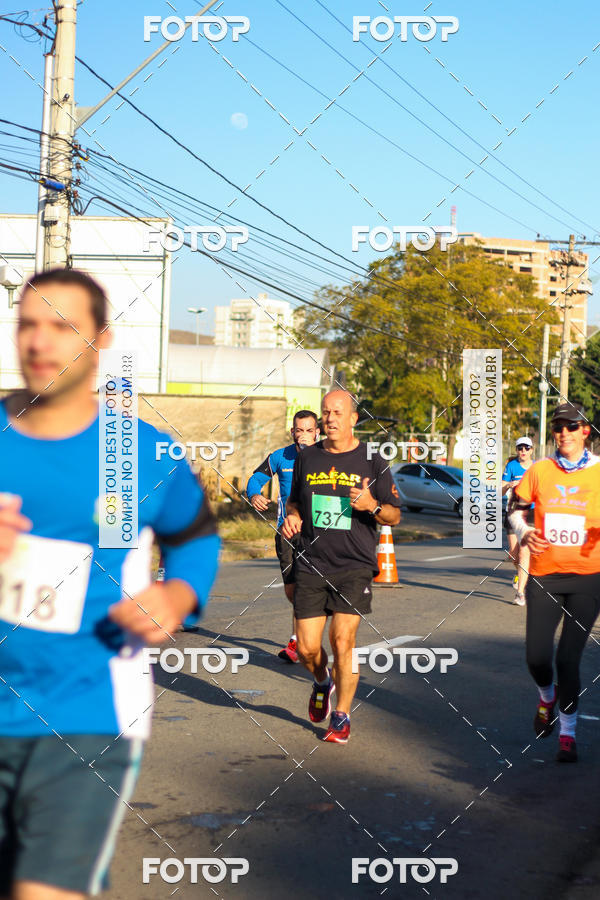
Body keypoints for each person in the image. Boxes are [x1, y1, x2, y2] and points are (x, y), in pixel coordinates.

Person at [0, 268, 220, 898]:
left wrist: (178, 594)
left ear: (100, 340)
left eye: (61, 327)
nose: (40, 342)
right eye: (28, 324)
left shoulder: (140, 453)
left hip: (87, 714)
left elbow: (196, 537)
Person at [282, 390, 401, 743]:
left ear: (353, 418)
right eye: (325, 413)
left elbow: (395, 515)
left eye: (337, 412)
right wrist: (292, 519)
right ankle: (322, 681)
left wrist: (371, 505)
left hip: (354, 565)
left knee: (342, 641)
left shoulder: (372, 461)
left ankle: (342, 715)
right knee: (305, 648)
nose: (330, 418)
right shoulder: (308, 458)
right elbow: (293, 503)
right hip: (312, 561)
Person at [508, 401, 600, 763]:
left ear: (585, 432)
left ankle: (568, 733)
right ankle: (547, 697)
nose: (563, 432)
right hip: (545, 573)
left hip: (588, 579)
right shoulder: (541, 470)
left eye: (571, 426)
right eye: (558, 426)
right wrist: (526, 530)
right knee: (537, 656)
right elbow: (514, 509)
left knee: (568, 659)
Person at [246, 410, 319, 662]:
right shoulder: (280, 457)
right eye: (300, 430)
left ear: (317, 433)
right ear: (292, 432)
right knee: (292, 590)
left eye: (310, 430)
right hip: (285, 531)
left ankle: (296, 641)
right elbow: (255, 479)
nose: (304, 435)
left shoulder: (326, 457)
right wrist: (254, 494)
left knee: (305, 587)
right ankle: (304, 631)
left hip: (315, 533)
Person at [502, 436, 534, 605]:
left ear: (531, 450)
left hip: (531, 512)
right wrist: (508, 485)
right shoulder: (511, 466)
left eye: (526, 448)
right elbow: (500, 490)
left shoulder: (537, 467)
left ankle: (520, 594)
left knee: (524, 553)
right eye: (520, 448)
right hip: (513, 512)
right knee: (514, 555)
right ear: (516, 450)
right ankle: (521, 573)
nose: (523, 451)